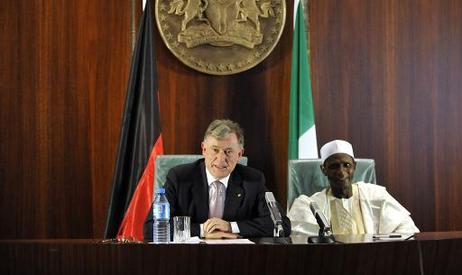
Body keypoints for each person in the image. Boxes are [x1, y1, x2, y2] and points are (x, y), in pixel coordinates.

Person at [144, 119, 290, 240]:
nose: (221, 159)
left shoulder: (253, 180)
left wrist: (230, 226)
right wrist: (203, 230)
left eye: (228, 152)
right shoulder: (180, 178)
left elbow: (282, 225)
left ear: (240, 154)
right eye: (215, 150)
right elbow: (151, 228)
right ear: (204, 149)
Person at [288, 139, 419, 236]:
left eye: (346, 165)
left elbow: (408, 229)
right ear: (323, 169)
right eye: (334, 166)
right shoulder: (309, 205)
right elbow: (299, 238)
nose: (341, 171)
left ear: (354, 166)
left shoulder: (376, 195)